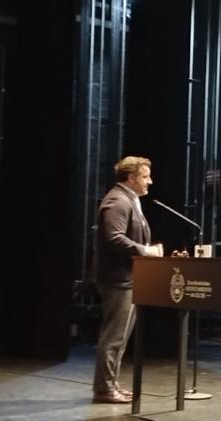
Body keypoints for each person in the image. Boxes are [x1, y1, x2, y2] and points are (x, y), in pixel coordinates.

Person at [93, 156, 163, 404]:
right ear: (132, 178)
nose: (150, 181)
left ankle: (110, 385)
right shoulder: (117, 201)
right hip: (118, 279)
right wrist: (146, 251)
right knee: (114, 337)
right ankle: (104, 389)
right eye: (145, 177)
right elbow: (114, 238)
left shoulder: (129, 199)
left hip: (128, 278)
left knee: (120, 338)